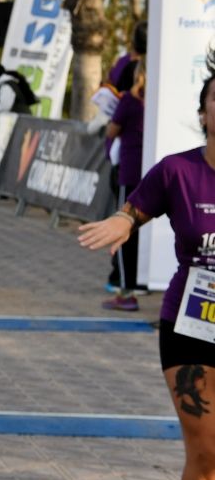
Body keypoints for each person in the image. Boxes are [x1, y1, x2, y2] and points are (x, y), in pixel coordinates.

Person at [78, 54, 215, 480]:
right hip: (190, 325)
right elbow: (133, 210)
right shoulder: (178, 171)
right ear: (203, 111)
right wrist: (121, 223)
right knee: (206, 449)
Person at [103, 60, 147, 311]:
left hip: (130, 172)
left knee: (124, 230)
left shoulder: (129, 101)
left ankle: (126, 291)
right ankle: (137, 284)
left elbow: (112, 131)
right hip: (152, 172)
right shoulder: (154, 101)